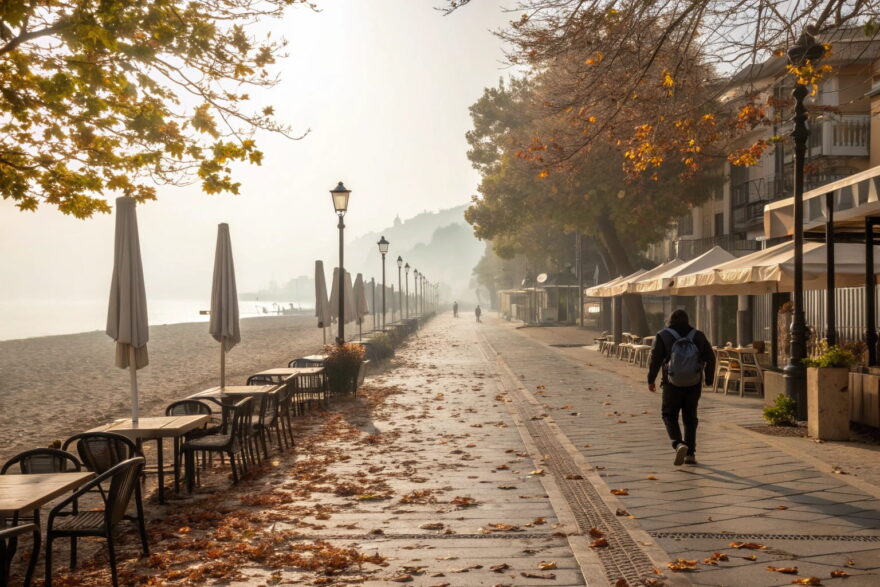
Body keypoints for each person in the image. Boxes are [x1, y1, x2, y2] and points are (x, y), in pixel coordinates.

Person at [647, 309, 715, 466]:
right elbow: (710, 357)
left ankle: (678, 443)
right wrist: (709, 379)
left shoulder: (663, 335)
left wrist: (651, 380)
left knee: (669, 415)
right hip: (694, 382)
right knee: (690, 417)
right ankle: (690, 453)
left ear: (670, 320)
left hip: (671, 383)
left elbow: (655, 360)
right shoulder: (698, 335)